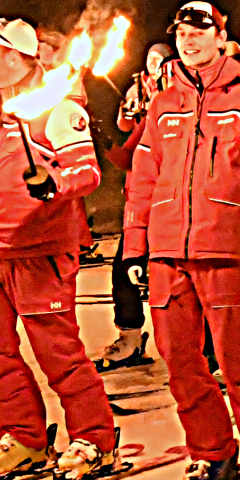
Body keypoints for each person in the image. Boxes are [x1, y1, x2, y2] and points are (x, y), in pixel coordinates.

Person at [122, 0, 240, 480]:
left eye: (200, 30)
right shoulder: (163, 103)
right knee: (179, 363)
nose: (188, 39)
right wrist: (137, 246)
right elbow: (142, 180)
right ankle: (213, 455)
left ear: (221, 37)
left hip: (224, 248)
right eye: (181, 31)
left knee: (238, 363)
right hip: (166, 251)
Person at [0, 18, 116, 480]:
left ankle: (94, 439)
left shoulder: (59, 110)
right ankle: (24, 436)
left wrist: (54, 184)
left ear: (15, 58)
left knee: (58, 353)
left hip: (39, 252)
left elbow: (87, 173)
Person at [97, 43, 173, 370]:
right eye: (151, 60)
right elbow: (128, 153)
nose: (155, 66)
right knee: (124, 270)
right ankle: (130, 338)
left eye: (162, 61)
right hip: (142, 201)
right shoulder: (144, 99)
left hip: (176, 206)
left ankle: (208, 349)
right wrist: (107, 139)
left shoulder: (178, 104)